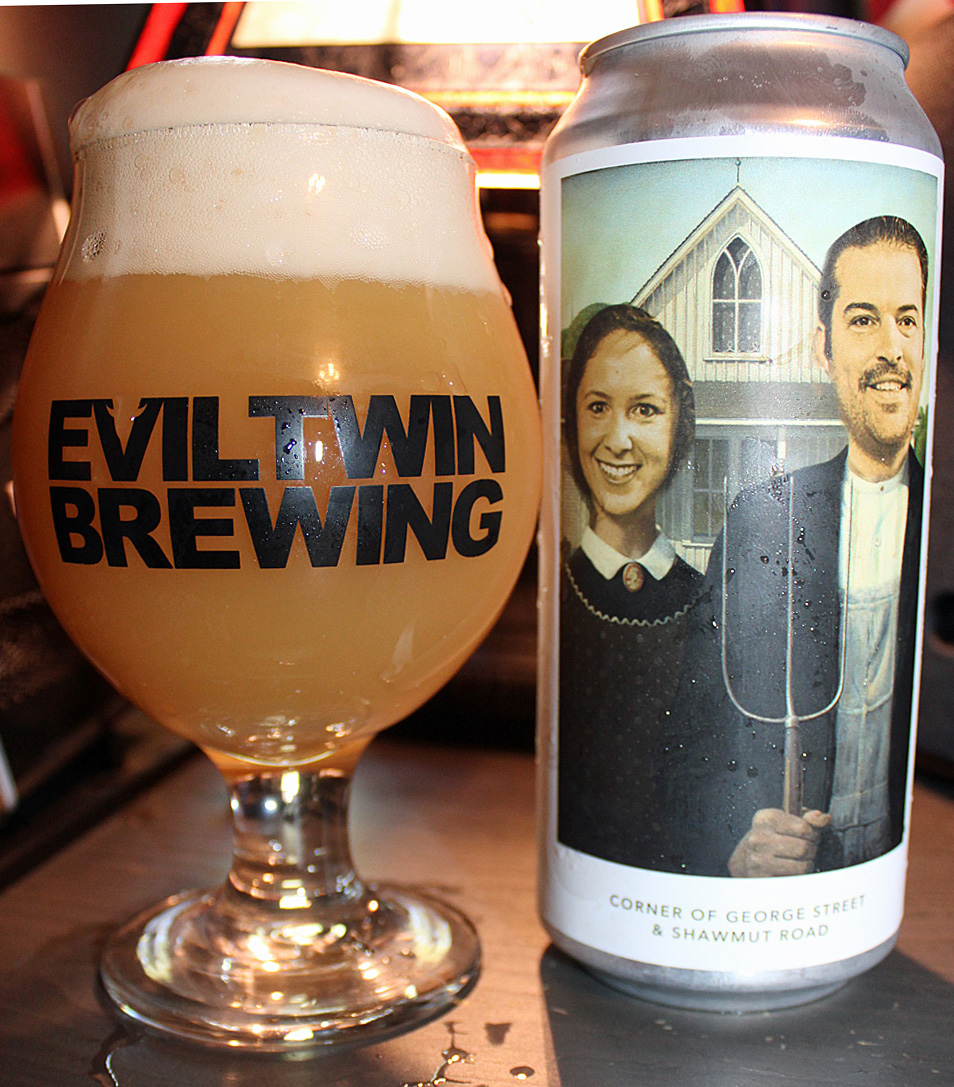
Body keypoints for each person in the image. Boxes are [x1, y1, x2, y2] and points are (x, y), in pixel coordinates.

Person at [665, 215, 928, 878]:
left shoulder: (939, 530)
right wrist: (735, 847)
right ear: (824, 348)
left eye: (908, 319)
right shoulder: (761, 522)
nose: (892, 348)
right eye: (863, 320)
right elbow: (690, 743)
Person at [558, 303, 702, 869]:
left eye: (645, 410)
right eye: (598, 407)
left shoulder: (710, 601)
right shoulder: (559, 593)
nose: (618, 440)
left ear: (678, 427)